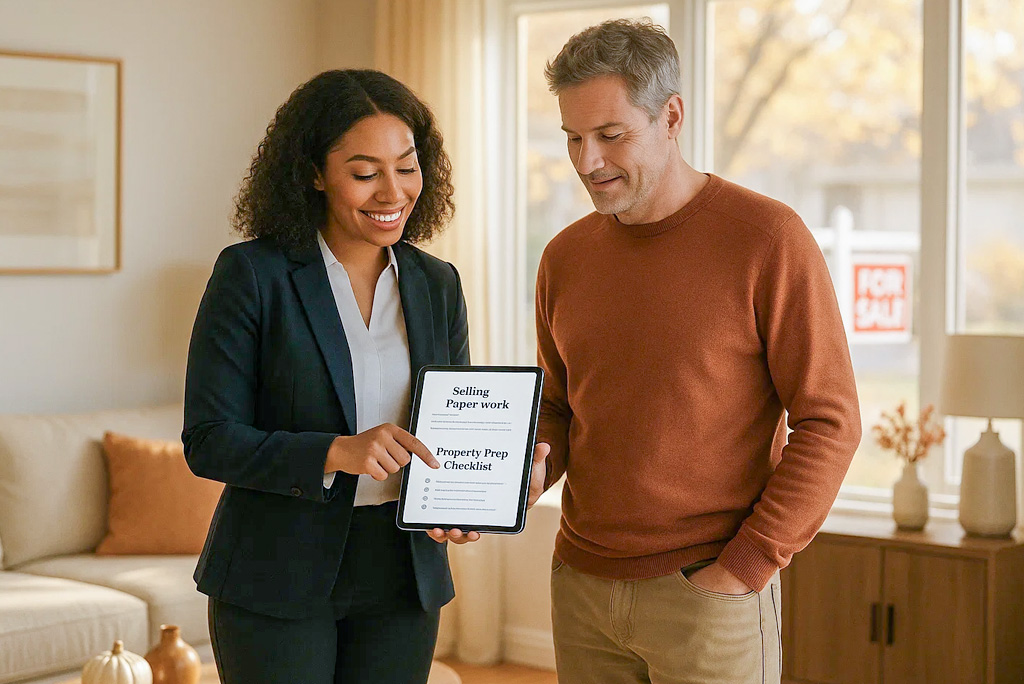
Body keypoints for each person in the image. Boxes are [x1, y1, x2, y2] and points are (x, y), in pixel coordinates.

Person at [527, 19, 862, 684]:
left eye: (611, 135)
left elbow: (830, 421)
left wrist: (744, 569)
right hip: (582, 586)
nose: (587, 161)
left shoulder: (768, 238)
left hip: (710, 594)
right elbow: (561, 408)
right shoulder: (564, 257)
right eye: (573, 137)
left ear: (671, 116)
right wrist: (519, 477)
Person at [183, 69, 480, 684]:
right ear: (314, 174)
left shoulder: (436, 284)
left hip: (404, 571)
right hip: (276, 572)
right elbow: (209, 438)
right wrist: (336, 452)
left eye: (407, 166)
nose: (392, 192)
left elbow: (451, 422)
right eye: (365, 173)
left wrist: (470, 494)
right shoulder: (252, 275)